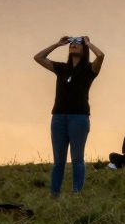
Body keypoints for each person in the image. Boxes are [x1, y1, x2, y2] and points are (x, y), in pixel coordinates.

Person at [34, 35, 104, 196]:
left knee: (77, 159)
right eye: (71, 43)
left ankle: (76, 194)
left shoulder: (89, 69)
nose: (73, 44)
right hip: (58, 117)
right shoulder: (61, 68)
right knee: (58, 161)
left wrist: (88, 42)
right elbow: (38, 57)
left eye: (77, 43)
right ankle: (54, 195)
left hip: (79, 118)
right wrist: (57, 44)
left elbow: (100, 56)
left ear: (84, 48)